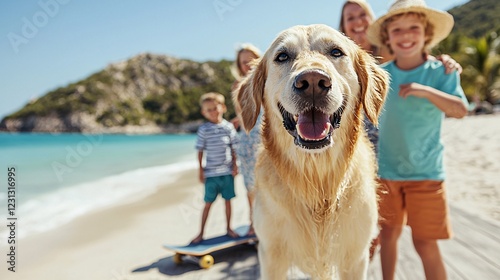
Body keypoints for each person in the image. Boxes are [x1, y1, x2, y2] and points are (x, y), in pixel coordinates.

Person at [338, 0, 463, 259]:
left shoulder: (391, 55)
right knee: (358, 228)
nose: (358, 21)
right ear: (343, 26)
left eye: (363, 14)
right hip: (354, 150)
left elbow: (419, 62)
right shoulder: (338, 59)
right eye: (350, 17)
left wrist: (445, 63)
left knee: (384, 229)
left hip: (388, 156)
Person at [191, 92, 239, 244]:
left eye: (215, 108)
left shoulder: (228, 127)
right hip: (210, 174)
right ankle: (201, 233)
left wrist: (235, 166)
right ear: (203, 112)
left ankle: (229, 228)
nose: (212, 112)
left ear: (223, 108)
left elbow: (234, 148)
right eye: (208, 109)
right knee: (208, 203)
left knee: (228, 201)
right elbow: (200, 151)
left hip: (227, 173)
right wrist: (200, 171)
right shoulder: (204, 130)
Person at [230, 43, 262, 236]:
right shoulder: (237, 86)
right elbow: (241, 113)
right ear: (239, 65)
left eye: (251, 59)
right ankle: (252, 223)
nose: (248, 64)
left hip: (266, 137)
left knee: (270, 182)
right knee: (250, 185)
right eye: (244, 62)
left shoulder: (268, 80)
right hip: (247, 139)